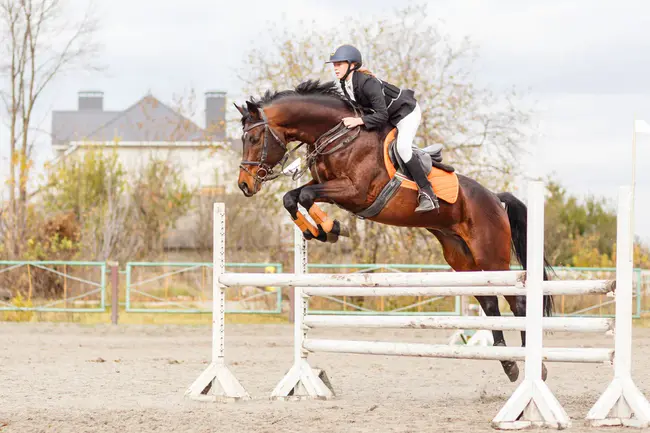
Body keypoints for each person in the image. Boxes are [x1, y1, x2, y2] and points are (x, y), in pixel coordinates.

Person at [326, 44, 439, 213]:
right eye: (334, 64)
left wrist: (358, 122)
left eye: (339, 64)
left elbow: (381, 116)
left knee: (402, 147)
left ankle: (427, 192)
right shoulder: (345, 84)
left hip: (405, 113)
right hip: (387, 115)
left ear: (352, 65)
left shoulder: (367, 83)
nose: (335, 68)